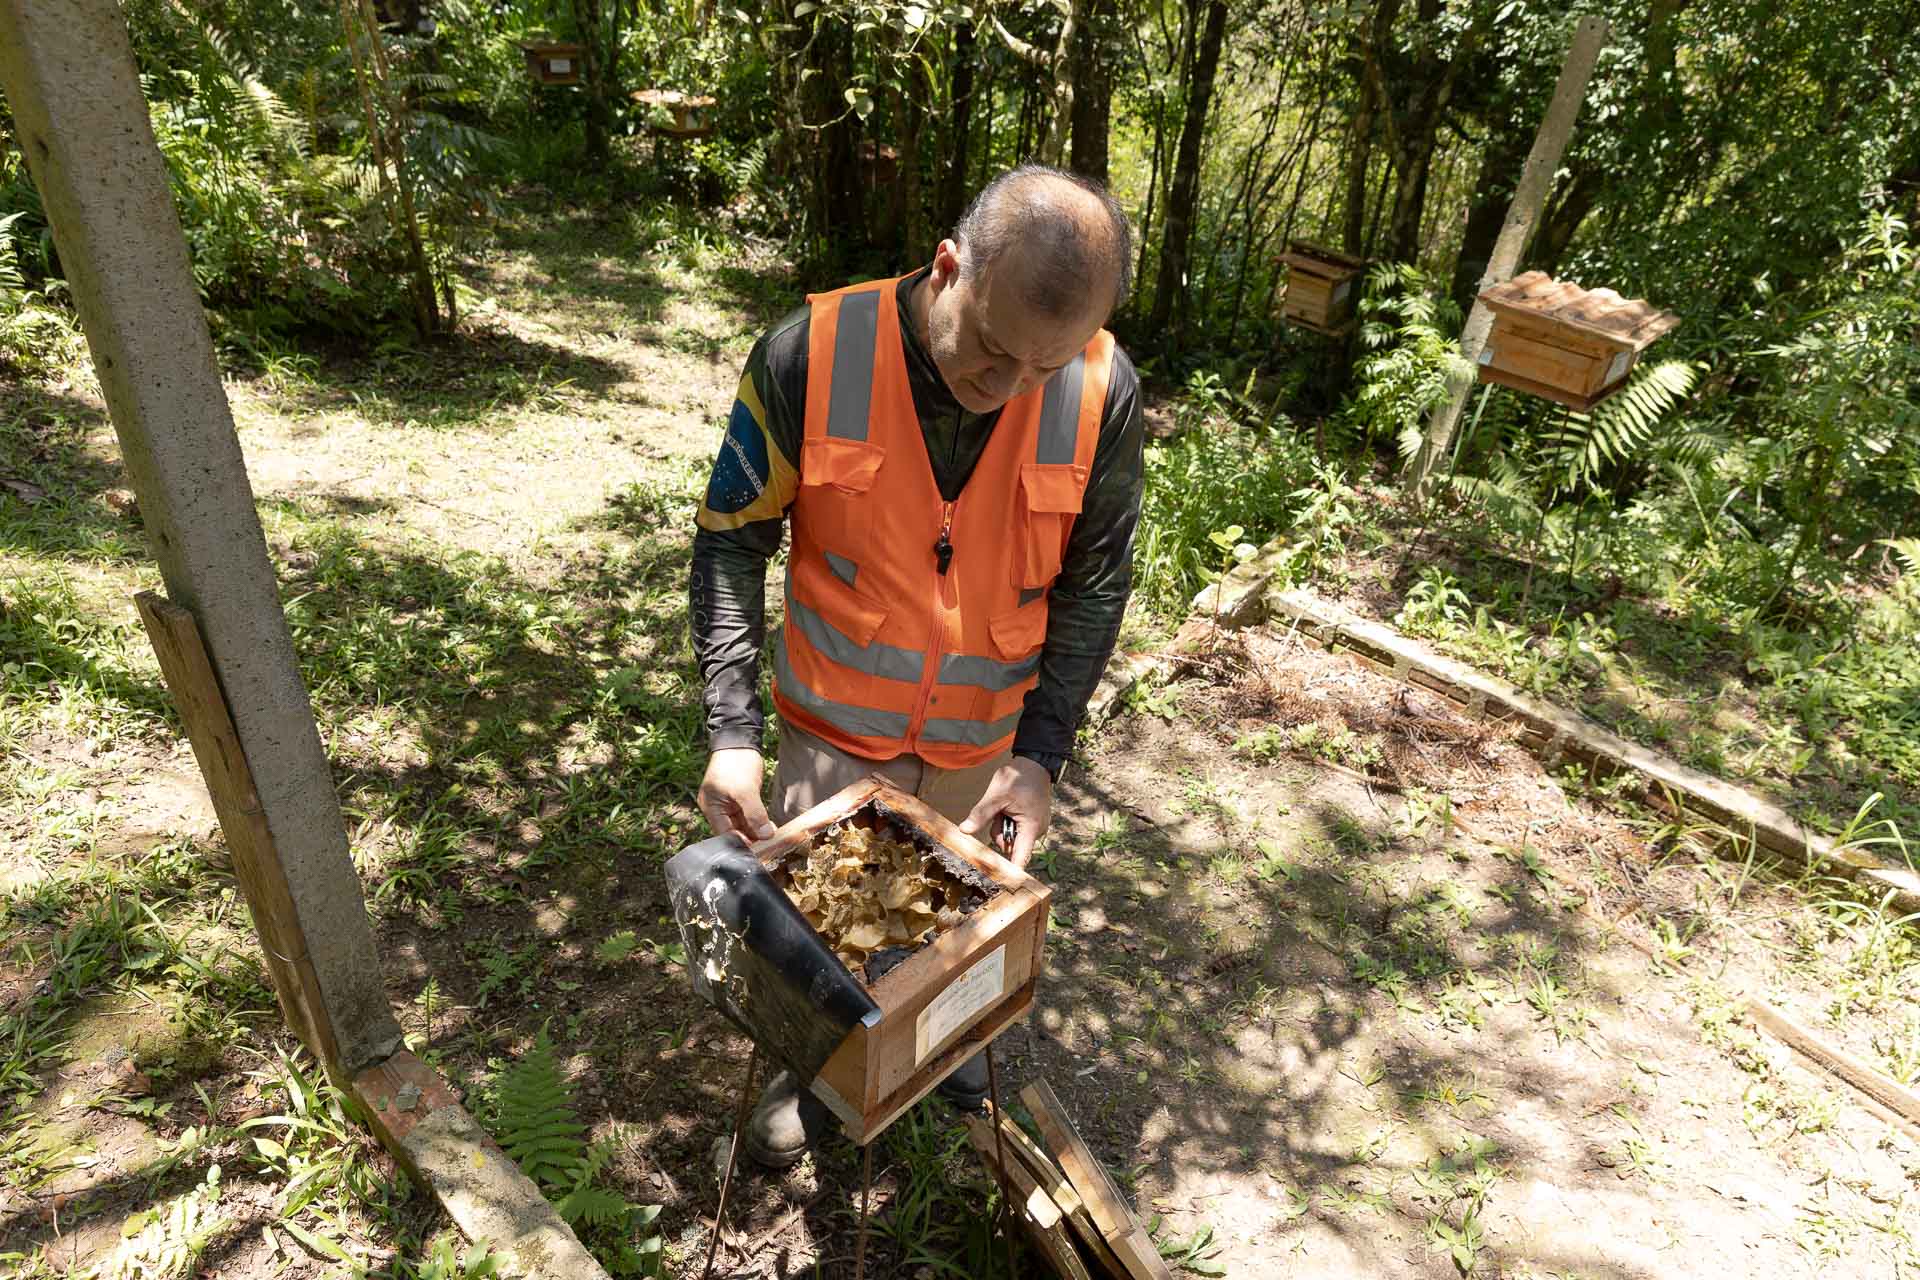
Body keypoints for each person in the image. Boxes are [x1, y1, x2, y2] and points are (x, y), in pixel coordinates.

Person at [688, 164, 1145, 1167]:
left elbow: (1095, 586)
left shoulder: (1101, 388)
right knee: (815, 951)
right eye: (990, 354)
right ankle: (806, 1087)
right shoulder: (811, 353)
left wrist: (1041, 757)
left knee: (961, 949)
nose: (1014, 389)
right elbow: (730, 539)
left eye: (1045, 365)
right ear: (949, 268)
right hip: (830, 745)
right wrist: (731, 733)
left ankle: (953, 1060)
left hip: (982, 756)